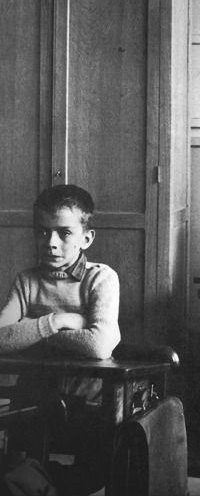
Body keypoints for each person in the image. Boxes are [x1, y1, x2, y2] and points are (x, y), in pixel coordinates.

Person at [0, 184, 120, 495]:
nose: (50, 243)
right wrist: (59, 321)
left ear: (86, 237)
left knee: (89, 478)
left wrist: (28, 333)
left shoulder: (101, 278)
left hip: (91, 405)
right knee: (18, 476)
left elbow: (99, 345)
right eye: (42, 232)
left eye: (64, 233)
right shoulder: (26, 281)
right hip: (32, 402)